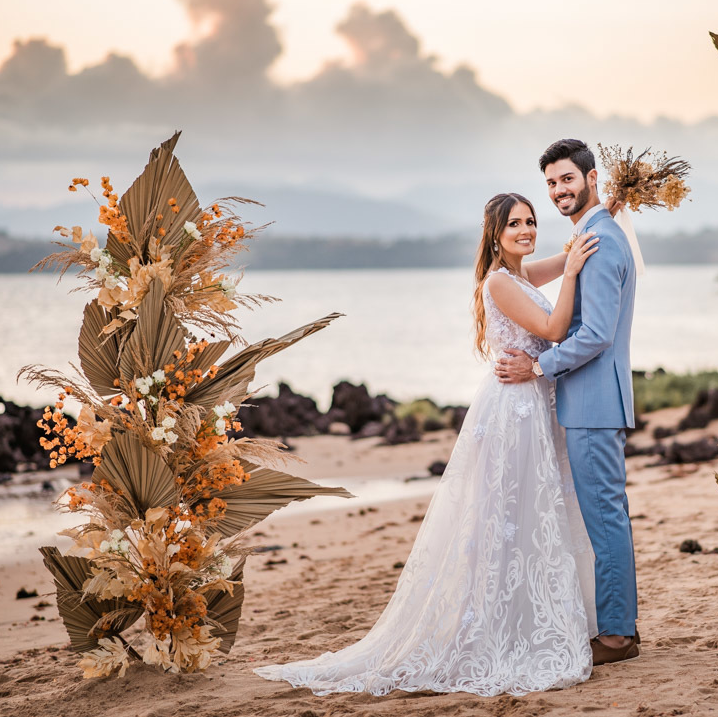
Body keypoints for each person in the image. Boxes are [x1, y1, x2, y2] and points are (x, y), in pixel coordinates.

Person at [254, 192, 602, 696]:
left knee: (534, 515)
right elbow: (552, 326)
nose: (526, 231)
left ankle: (539, 618)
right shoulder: (500, 283)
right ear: (495, 234)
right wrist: (571, 274)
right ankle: (502, 629)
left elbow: (567, 253)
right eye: (515, 225)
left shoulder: (523, 273)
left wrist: (608, 204)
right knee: (507, 518)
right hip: (515, 411)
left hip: (536, 406)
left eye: (531, 222)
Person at [494, 138, 640, 666]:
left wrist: (537, 366)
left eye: (567, 180)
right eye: (552, 183)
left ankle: (618, 636)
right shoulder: (593, 234)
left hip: (593, 403)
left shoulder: (600, 241)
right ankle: (620, 626)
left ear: (591, 177)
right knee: (607, 517)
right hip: (588, 403)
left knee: (605, 518)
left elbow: (596, 333)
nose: (559, 190)